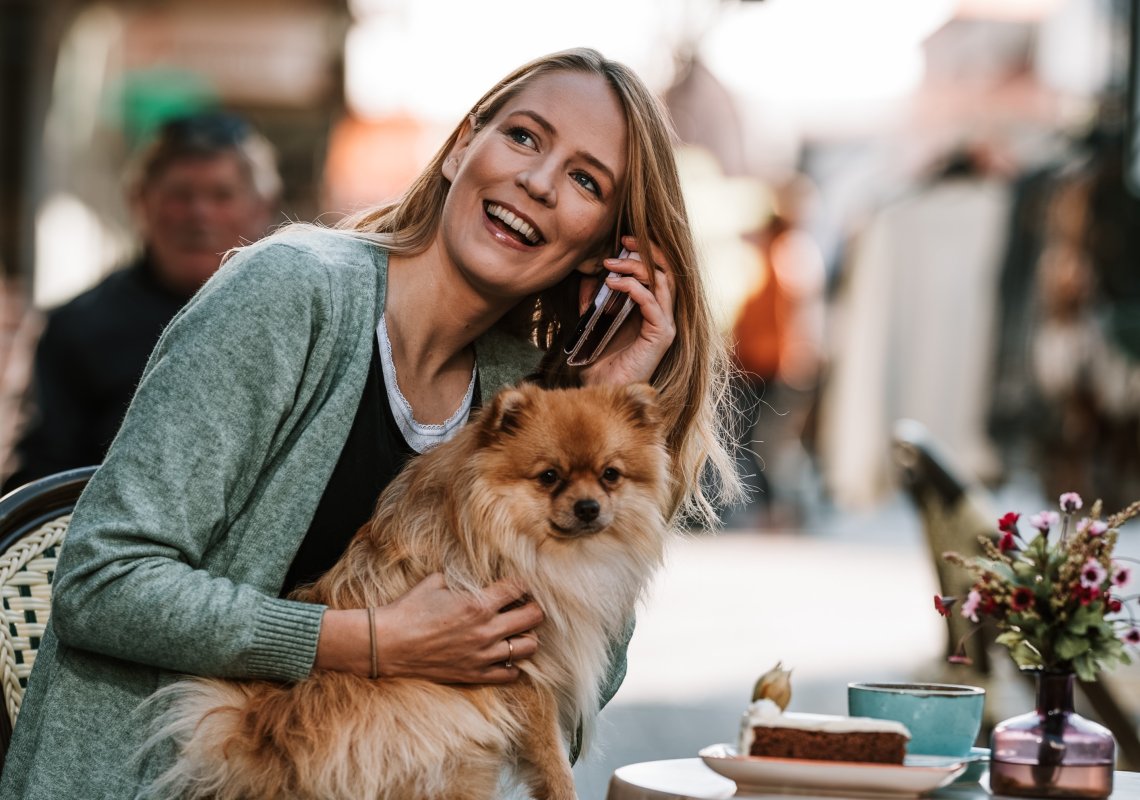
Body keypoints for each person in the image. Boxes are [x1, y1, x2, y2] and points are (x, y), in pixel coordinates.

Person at [0, 48, 741, 798]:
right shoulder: (288, 295)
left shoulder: (524, 400)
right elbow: (102, 580)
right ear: (461, 146)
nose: (540, 182)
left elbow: (574, 695)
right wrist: (372, 641)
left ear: (603, 248)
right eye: (523, 136)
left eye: (586, 181)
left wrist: (603, 397)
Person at [1, 111, 280, 493]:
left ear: (260, 207)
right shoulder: (80, 326)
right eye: (181, 196)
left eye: (221, 195)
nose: (199, 214)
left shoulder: (289, 322)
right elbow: (43, 477)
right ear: (140, 201)